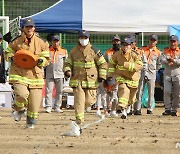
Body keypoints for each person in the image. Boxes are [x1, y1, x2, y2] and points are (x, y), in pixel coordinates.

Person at [4, 18, 50, 128]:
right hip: (19, 74)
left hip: (35, 76)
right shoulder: (16, 41)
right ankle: (19, 109)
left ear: (34, 28)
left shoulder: (42, 43)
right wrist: (11, 58)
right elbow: (8, 53)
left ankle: (30, 123)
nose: (29, 29)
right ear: (23, 28)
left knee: (34, 104)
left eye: (31, 27)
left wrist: (41, 61)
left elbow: (47, 58)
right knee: (22, 95)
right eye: (27, 27)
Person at [64, 30, 107, 124]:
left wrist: (102, 76)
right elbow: (68, 63)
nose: (83, 40)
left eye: (85, 38)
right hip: (77, 81)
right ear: (78, 39)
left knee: (89, 101)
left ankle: (87, 105)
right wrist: (67, 70)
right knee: (79, 101)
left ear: (88, 39)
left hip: (91, 82)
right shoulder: (73, 51)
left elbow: (103, 64)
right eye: (81, 38)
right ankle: (79, 120)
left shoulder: (94, 51)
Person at [108, 37, 143, 119]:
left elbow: (140, 65)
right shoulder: (117, 54)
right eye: (123, 45)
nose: (125, 47)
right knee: (123, 90)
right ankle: (123, 110)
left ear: (130, 46)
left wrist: (128, 65)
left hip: (132, 79)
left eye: (127, 45)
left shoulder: (135, 55)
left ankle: (127, 108)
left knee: (131, 98)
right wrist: (110, 75)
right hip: (121, 77)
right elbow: (111, 64)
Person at [134, 34, 161, 115]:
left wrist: (154, 70)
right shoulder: (142, 50)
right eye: (151, 40)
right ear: (149, 40)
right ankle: (137, 108)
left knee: (151, 92)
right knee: (139, 91)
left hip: (152, 74)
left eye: (154, 40)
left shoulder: (158, 52)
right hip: (142, 73)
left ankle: (150, 108)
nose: (152, 42)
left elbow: (159, 64)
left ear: (156, 42)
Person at [96, 35, 120, 117]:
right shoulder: (107, 52)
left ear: (119, 42)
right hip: (109, 76)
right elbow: (104, 63)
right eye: (114, 41)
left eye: (117, 41)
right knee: (104, 93)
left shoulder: (122, 52)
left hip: (118, 76)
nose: (116, 43)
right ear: (112, 42)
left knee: (116, 94)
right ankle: (105, 110)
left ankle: (114, 110)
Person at [45, 35, 68, 113]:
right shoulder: (47, 50)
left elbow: (66, 63)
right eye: (54, 41)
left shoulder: (63, 51)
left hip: (60, 74)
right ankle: (48, 106)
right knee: (49, 91)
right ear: (52, 42)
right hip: (49, 73)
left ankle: (57, 106)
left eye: (57, 41)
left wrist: (66, 72)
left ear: (59, 42)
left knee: (59, 91)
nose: (56, 43)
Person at [160, 35, 180, 116]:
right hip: (167, 74)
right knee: (167, 91)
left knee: (177, 93)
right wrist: (167, 60)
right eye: (171, 41)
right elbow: (161, 60)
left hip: (177, 74)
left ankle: (174, 109)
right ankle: (167, 109)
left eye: (174, 41)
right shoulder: (165, 50)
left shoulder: (179, 51)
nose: (173, 43)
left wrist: (173, 60)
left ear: (177, 42)